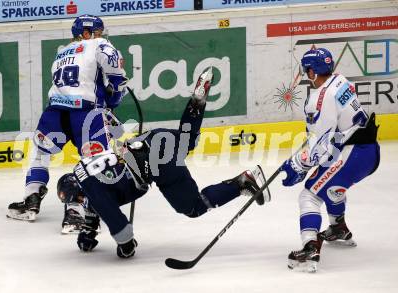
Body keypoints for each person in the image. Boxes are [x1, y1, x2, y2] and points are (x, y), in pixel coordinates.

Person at [63, 67, 270, 258]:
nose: (81, 203)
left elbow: (116, 222)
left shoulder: (92, 190)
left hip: (154, 163)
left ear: (79, 191)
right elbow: (111, 127)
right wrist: (86, 238)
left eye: (78, 199)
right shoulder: (87, 168)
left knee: (194, 207)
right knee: (187, 139)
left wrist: (126, 245)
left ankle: (243, 182)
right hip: (147, 140)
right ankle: (196, 102)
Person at [7, 15, 128, 234]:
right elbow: (116, 80)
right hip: (85, 113)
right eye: (98, 32)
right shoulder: (99, 45)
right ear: (86, 33)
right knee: (94, 162)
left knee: (40, 153)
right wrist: (115, 96)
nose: (102, 36)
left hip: (55, 111)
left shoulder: (61, 53)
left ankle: (31, 200)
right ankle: (74, 212)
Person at [280, 48, 380, 272]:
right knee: (332, 187)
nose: (306, 74)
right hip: (368, 150)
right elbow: (328, 138)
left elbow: (321, 145)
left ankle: (310, 247)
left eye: (307, 70)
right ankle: (338, 228)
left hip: (352, 153)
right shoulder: (339, 79)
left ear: (313, 72)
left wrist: (297, 164)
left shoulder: (320, 98)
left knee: (309, 195)